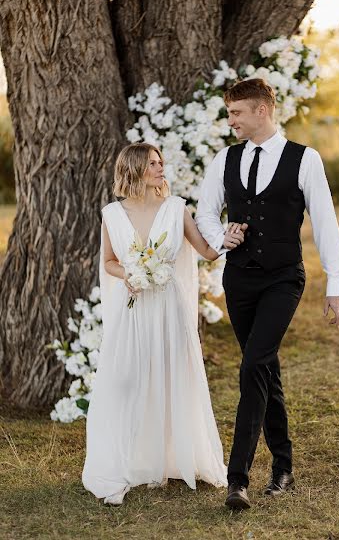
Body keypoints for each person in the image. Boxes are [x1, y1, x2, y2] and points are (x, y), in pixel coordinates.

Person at [195, 78, 339, 510]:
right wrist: (221, 236)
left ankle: (237, 479)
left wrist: (336, 285)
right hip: (239, 279)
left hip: (283, 279)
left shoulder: (305, 159)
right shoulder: (225, 159)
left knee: (252, 366)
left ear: (262, 110)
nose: (232, 122)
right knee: (263, 369)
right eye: (230, 114)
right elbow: (205, 210)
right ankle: (283, 467)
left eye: (237, 113)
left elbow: (325, 221)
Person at [82, 142, 244, 505]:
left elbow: (205, 249)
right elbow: (108, 261)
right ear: (135, 169)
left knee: (172, 377)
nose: (160, 168)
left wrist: (228, 241)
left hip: (169, 308)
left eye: (160, 162)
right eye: (153, 163)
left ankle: (175, 458)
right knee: (127, 379)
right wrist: (129, 273)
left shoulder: (175, 209)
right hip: (133, 308)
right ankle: (127, 459)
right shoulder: (112, 213)